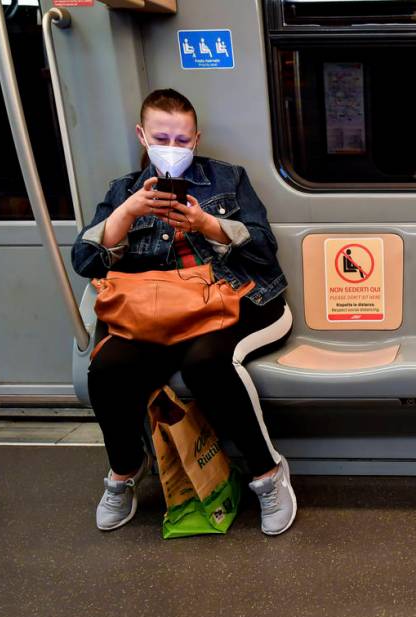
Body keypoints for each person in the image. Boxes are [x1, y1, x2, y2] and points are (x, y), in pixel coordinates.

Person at [72, 89, 296, 537]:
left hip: (235, 299)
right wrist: (127, 213)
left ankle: (267, 474)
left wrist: (207, 225)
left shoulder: (227, 179)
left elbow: (264, 253)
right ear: (142, 135)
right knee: (107, 368)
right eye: (161, 137)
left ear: (196, 139)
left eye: (182, 139)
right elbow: (85, 261)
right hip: (156, 313)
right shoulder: (123, 191)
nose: (172, 148)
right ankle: (124, 473)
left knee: (206, 363)